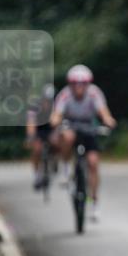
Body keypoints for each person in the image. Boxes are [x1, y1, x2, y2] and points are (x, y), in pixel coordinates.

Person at [49, 65, 117, 219]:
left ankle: (94, 202)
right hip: (71, 126)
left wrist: (108, 120)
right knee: (67, 136)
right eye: (75, 84)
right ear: (70, 84)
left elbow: (103, 111)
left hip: (88, 128)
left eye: (83, 84)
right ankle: (66, 168)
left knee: (93, 163)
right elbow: (57, 114)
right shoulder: (65, 95)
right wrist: (55, 121)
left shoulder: (94, 93)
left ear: (88, 84)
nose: (79, 87)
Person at [26, 83, 56, 190]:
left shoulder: (56, 105)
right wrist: (31, 136)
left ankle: (55, 160)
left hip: (51, 128)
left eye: (50, 100)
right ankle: (37, 175)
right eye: (46, 100)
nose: (48, 102)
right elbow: (30, 122)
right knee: (37, 149)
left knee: (57, 142)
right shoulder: (35, 106)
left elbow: (57, 122)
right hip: (38, 128)